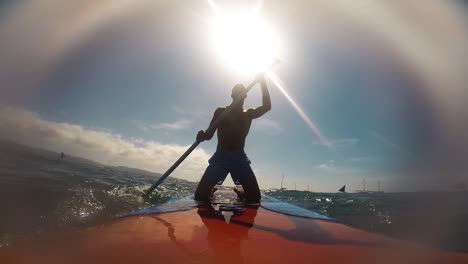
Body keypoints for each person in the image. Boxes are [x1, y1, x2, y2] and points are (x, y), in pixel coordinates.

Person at [194, 74, 271, 203]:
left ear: (245, 95)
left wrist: (262, 83)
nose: (238, 95)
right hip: (220, 157)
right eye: (236, 93)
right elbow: (209, 134)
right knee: (200, 196)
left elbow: (267, 106)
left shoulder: (248, 114)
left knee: (254, 198)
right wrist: (202, 134)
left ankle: (241, 191)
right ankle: (211, 189)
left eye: (241, 93)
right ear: (232, 96)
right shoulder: (221, 111)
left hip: (239, 158)